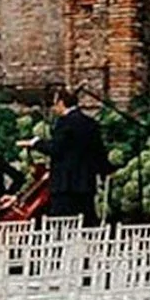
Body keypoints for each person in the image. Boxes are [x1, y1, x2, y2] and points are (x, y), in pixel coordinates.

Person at [44, 91, 111, 224]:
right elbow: (98, 150)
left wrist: (36, 144)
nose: (53, 109)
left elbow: (56, 149)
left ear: (61, 103)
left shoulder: (64, 123)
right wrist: (105, 170)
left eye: (53, 105)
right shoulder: (90, 123)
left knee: (62, 223)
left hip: (64, 184)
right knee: (86, 221)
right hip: (85, 182)